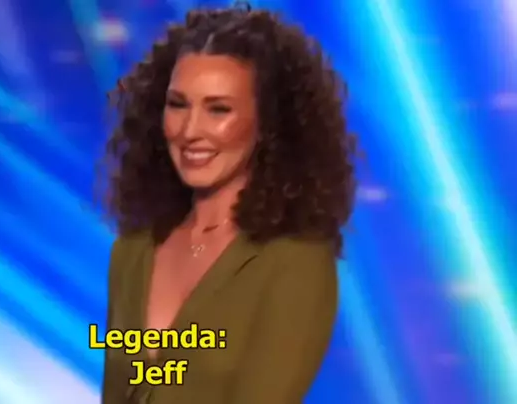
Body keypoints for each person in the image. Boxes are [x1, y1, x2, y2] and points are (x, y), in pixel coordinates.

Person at [99, 2, 357, 403]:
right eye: (178, 104)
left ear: (267, 124)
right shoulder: (132, 251)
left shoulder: (295, 263)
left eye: (218, 109)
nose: (190, 130)